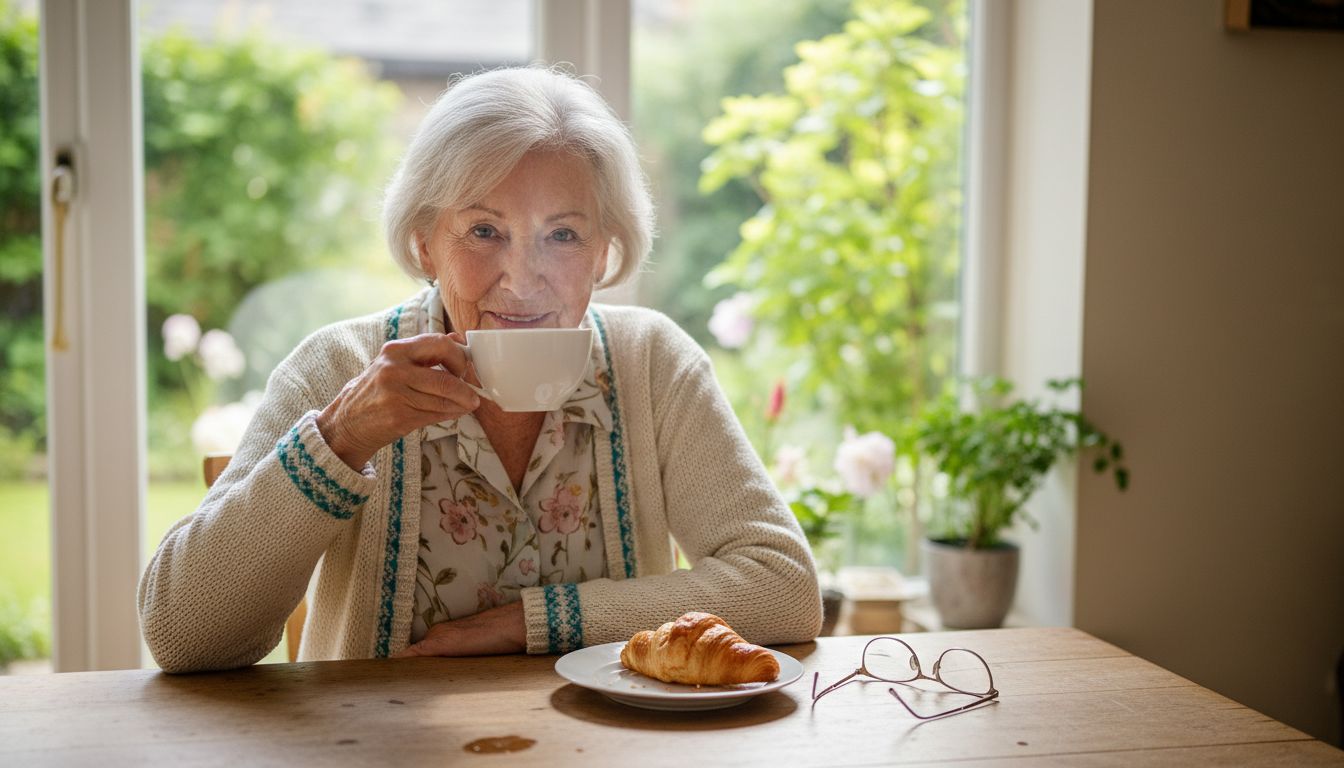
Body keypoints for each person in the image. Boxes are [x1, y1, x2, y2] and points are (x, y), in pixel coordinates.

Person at [138, 66, 823, 673]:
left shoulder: (652, 364)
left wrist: (539, 623)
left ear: (604, 252)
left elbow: (783, 587)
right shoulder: (339, 366)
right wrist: (341, 438)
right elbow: (182, 637)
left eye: (562, 234)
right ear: (424, 241)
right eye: (484, 231)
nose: (524, 280)